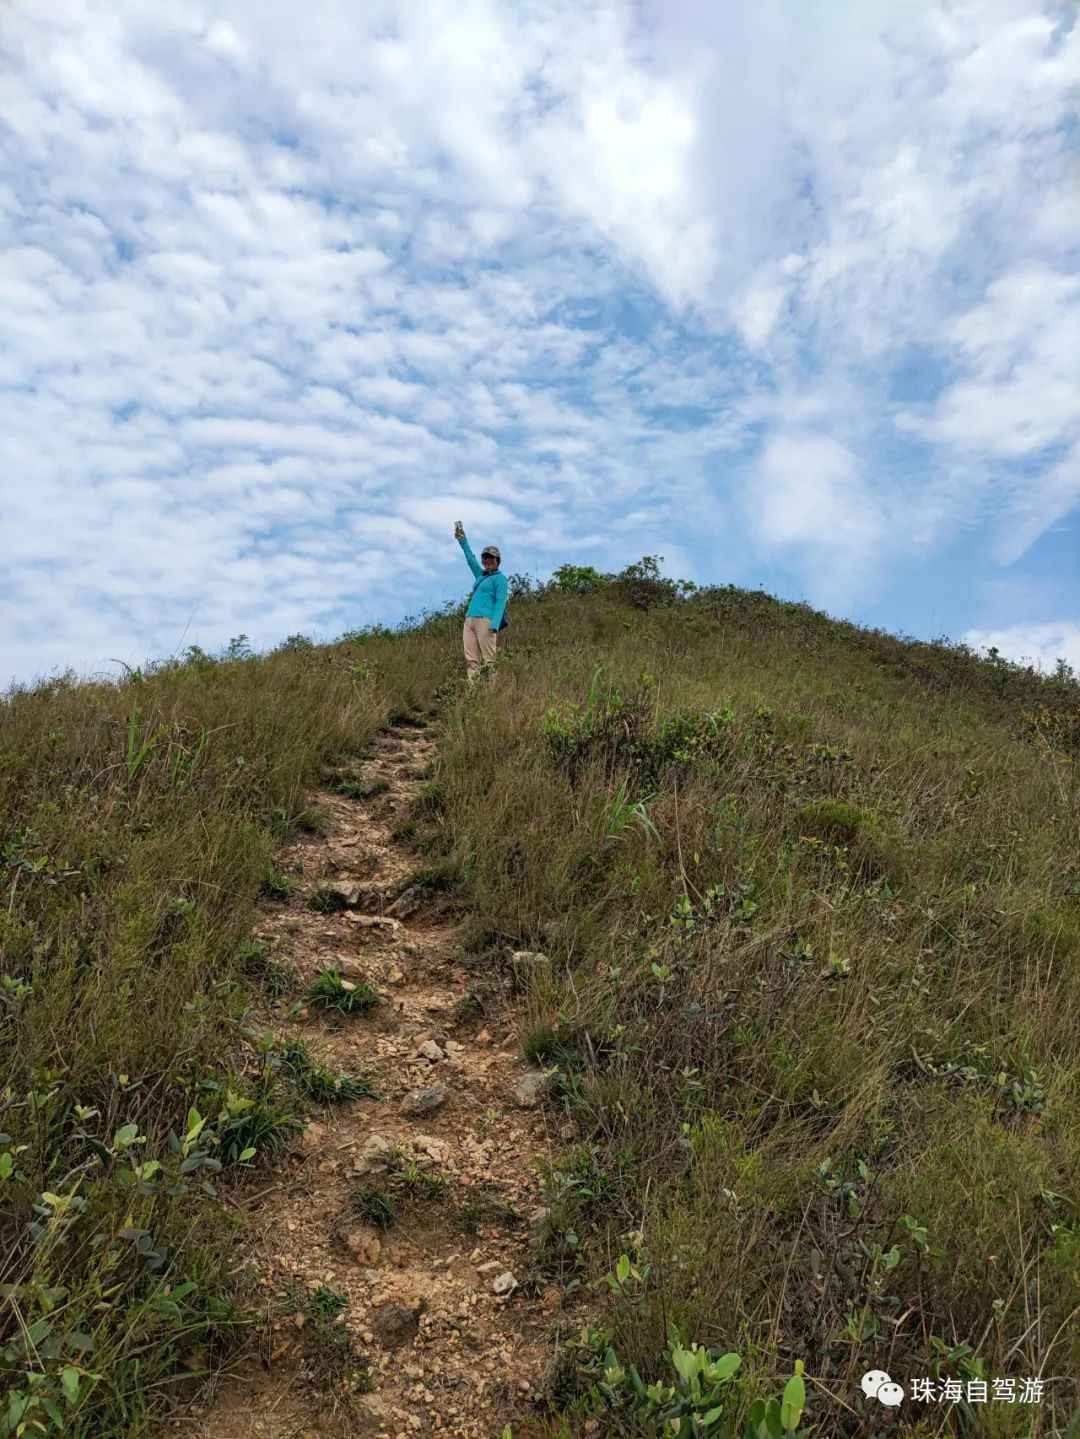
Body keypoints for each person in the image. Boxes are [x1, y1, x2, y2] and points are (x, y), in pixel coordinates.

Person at [454, 521, 507, 683]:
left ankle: (491, 693)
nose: (487, 560)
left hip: (486, 621)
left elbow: (500, 602)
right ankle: (473, 694)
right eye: (485, 557)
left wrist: (495, 624)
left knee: (489, 660)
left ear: (498, 560)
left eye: (491, 558)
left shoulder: (500, 579)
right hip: (470, 621)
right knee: (472, 661)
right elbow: (470, 559)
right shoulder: (481, 576)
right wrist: (462, 540)